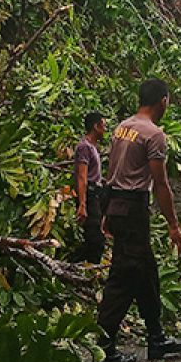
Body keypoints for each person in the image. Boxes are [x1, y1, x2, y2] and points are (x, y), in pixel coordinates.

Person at [95, 79, 181, 362]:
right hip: (134, 209)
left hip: (117, 204)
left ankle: (156, 338)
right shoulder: (154, 135)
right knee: (124, 277)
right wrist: (173, 225)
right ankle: (105, 346)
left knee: (146, 272)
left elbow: (112, 172)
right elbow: (160, 184)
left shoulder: (121, 127)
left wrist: (106, 212)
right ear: (163, 101)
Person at [68, 112, 108, 264]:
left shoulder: (93, 148)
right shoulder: (84, 147)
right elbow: (82, 176)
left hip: (96, 194)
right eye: (103, 125)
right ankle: (76, 265)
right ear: (95, 126)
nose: (104, 129)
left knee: (96, 236)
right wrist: (82, 204)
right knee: (94, 238)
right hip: (89, 196)